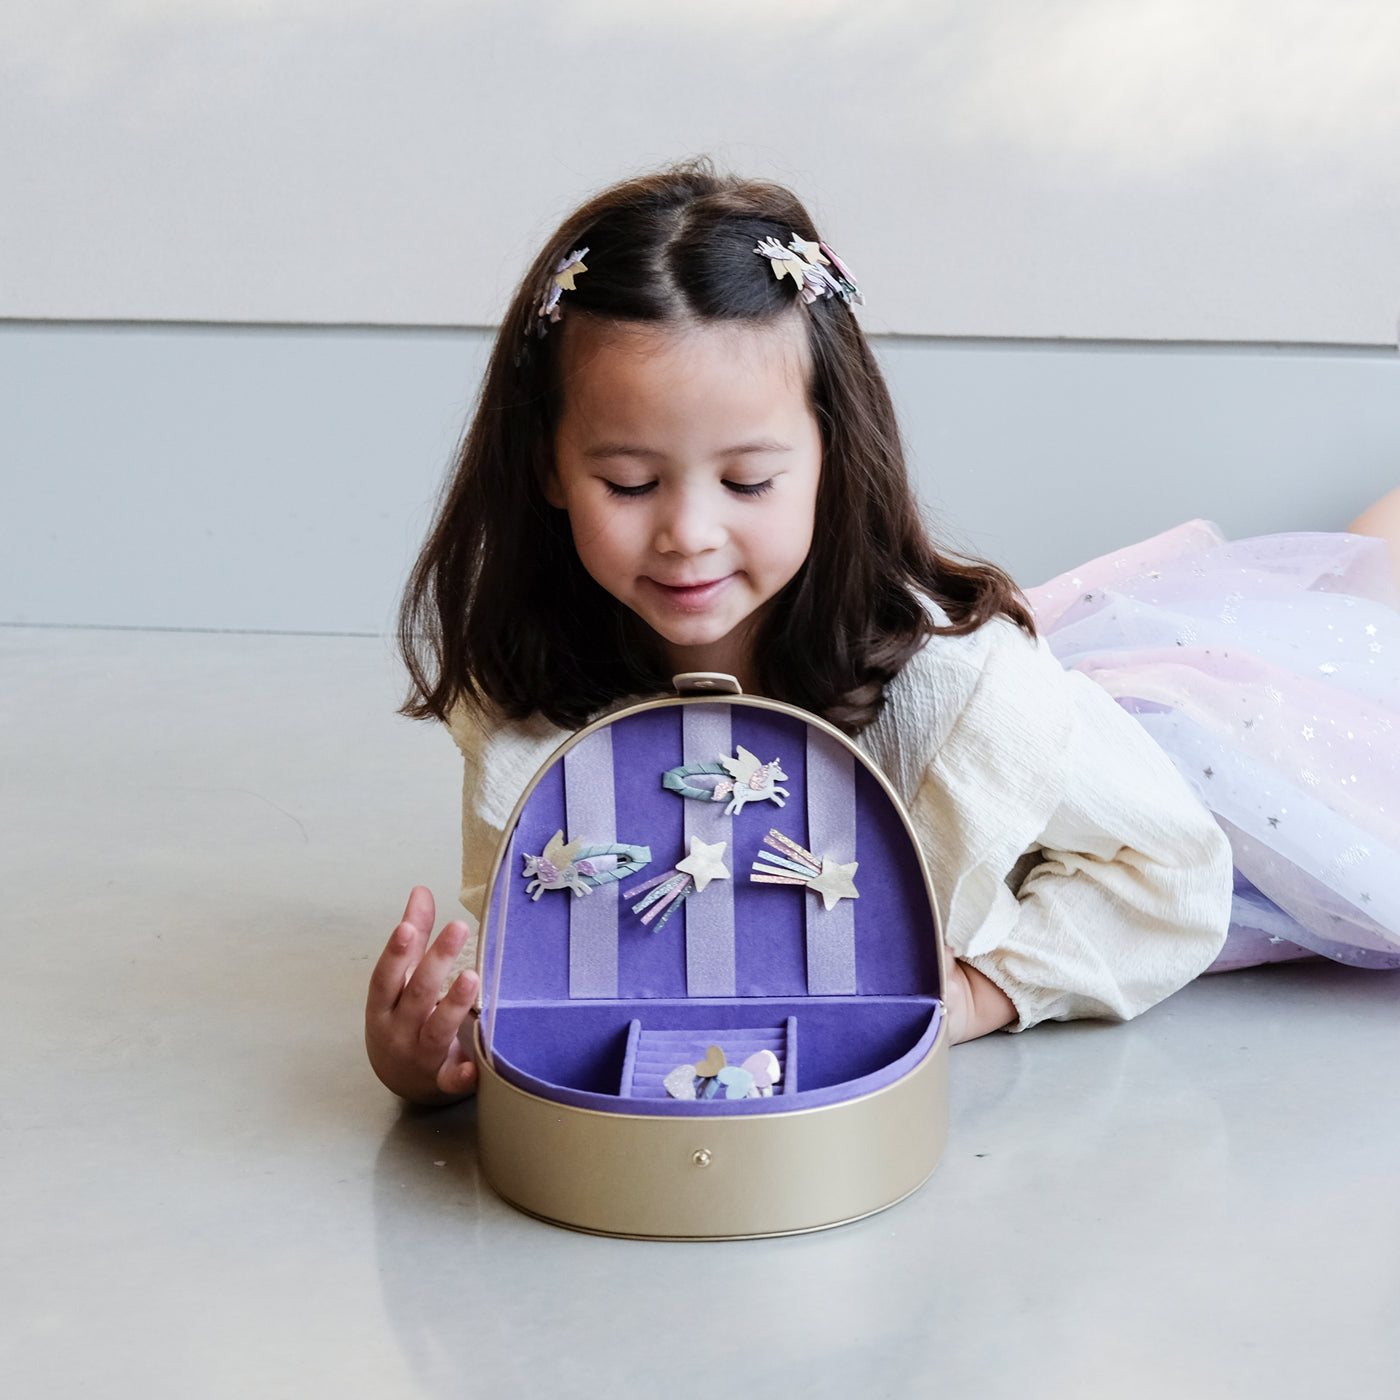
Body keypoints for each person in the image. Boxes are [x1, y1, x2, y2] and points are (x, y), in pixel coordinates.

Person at [365, 162, 1400, 1106]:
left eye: (746, 481)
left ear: (830, 457)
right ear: (545, 466)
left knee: (1351, 641)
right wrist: (441, 1054)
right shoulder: (529, 703)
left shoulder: (968, 693)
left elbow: (1174, 875)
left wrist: (984, 988)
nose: (686, 533)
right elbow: (535, 953)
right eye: (627, 481)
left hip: (1185, 764)